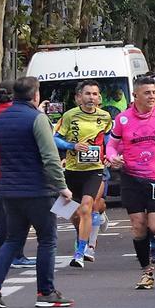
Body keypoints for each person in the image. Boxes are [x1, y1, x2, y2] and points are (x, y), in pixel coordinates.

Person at [0, 77, 74, 308]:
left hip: (10, 189)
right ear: (35, 95)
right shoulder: (37, 119)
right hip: (38, 190)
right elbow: (50, 157)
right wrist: (62, 186)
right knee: (47, 239)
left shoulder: (1, 119)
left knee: (13, 239)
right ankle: (46, 292)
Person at [106, 75, 155, 291]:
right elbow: (111, 145)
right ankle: (146, 272)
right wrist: (113, 157)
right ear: (135, 95)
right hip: (131, 178)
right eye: (147, 92)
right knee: (139, 226)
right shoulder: (122, 119)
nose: (152, 96)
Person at [53, 80, 112, 268]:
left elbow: (109, 140)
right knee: (74, 214)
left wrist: (109, 155)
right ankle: (82, 236)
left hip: (94, 169)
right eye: (88, 94)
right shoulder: (69, 116)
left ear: (99, 98)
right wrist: (72, 146)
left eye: (95, 94)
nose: (91, 98)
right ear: (79, 97)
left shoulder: (105, 117)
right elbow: (55, 139)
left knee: (87, 207)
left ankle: (80, 252)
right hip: (72, 169)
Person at [0, 81, 36, 268]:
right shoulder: (19, 114)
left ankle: (3, 252)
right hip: (19, 169)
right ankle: (17, 254)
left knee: (2, 213)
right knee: (22, 213)